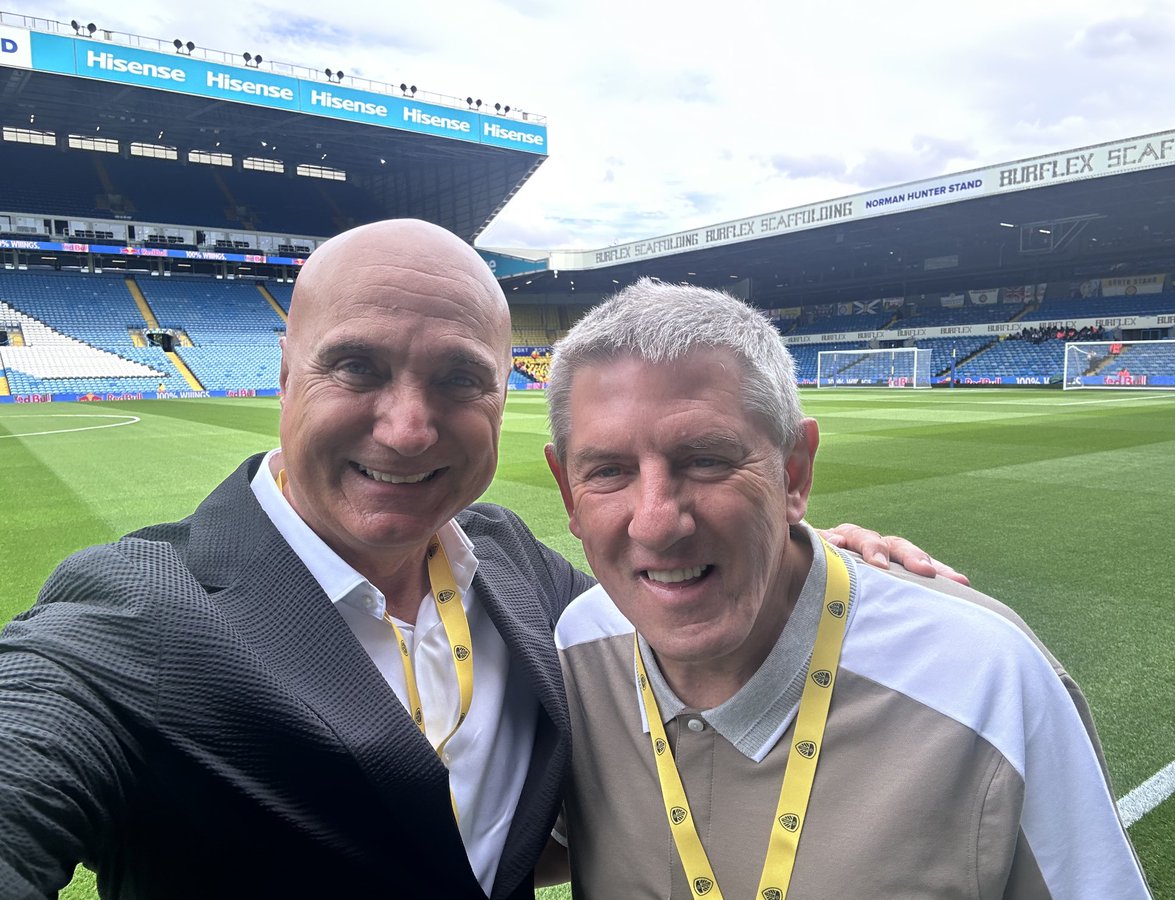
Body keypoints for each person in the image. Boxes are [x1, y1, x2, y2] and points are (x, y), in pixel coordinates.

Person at [0, 220, 955, 900]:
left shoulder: (514, 566)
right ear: (285, 372)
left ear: (506, 394)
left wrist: (799, 554)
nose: (410, 429)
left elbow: (667, 613)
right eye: (356, 366)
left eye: (460, 378)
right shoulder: (133, 615)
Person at [541, 278, 1151, 898]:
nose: (656, 521)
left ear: (794, 473)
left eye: (706, 460)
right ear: (567, 492)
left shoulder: (987, 677)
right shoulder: (579, 645)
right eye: (609, 471)